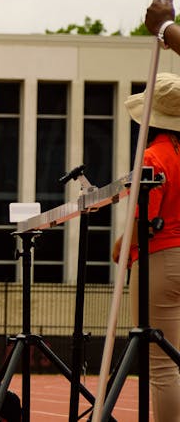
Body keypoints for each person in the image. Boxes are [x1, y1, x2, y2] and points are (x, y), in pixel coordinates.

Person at [111, 69, 180, 421]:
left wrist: (124, 244)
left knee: (162, 366)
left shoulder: (155, 156)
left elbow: (145, 219)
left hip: (161, 259)